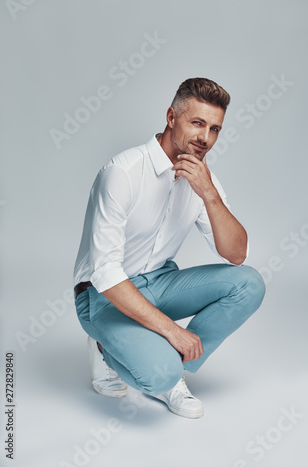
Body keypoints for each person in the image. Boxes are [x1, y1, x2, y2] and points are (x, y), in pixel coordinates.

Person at [73, 77, 266, 419]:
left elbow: (237, 255)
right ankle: (108, 348)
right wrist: (174, 332)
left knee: (249, 283)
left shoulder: (202, 178)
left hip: (160, 282)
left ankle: (168, 366)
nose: (205, 138)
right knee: (159, 374)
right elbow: (105, 272)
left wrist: (209, 194)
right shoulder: (122, 173)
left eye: (215, 129)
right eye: (197, 123)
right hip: (104, 295)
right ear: (171, 117)